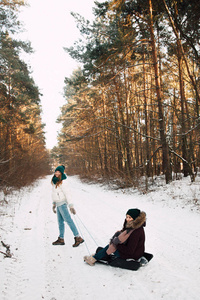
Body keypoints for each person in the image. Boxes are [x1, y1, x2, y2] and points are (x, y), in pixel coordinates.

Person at [51, 165, 84, 247]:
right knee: (60, 222)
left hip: (62, 204)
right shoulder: (55, 181)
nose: (56, 173)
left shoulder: (63, 181)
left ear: (61, 173)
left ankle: (78, 237)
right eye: (56, 171)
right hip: (58, 204)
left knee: (69, 221)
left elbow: (67, 194)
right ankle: (61, 239)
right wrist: (54, 204)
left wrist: (71, 206)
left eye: (58, 172)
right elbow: (54, 193)